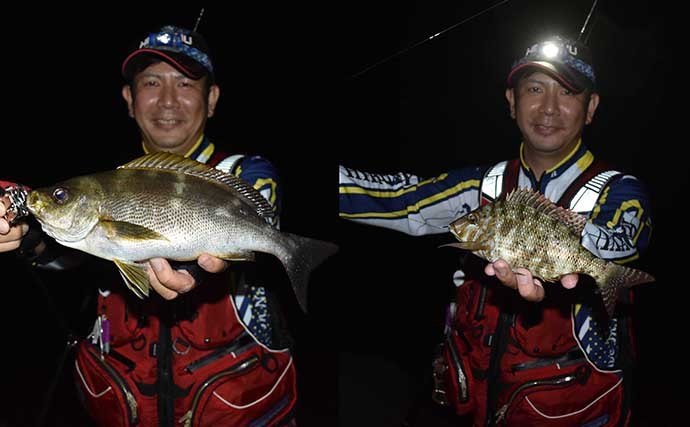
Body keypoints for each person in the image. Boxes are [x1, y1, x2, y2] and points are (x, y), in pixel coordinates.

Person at [339, 35, 652, 426]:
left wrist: (573, 248)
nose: (549, 107)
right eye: (535, 89)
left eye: (568, 92)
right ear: (511, 101)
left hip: (576, 411)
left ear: (591, 108)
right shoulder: (480, 188)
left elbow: (624, 241)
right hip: (474, 402)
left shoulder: (618, 190)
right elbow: (401, 198)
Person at [1, 25, 298, 426]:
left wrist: (189, 263)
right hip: (121, 404)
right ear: (129, 98)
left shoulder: (247, 173)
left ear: (212, 99)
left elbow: (261, 215)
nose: (168, 100)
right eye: (152, 82)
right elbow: (66, 258)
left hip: (235, 410)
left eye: (186, 83)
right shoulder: (111, 179)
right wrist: (24, 235)